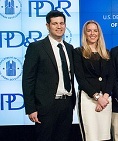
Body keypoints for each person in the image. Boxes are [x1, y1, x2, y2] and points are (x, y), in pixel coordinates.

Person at [22, 10, 76, 141]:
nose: (59, 26)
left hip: (67, 105)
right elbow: (28, 79)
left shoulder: (69, 48)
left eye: (62, 23)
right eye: (55, 23)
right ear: (48, 26)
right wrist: (31, 108)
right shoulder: (36, 47)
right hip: (45, 107)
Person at [73, 20, 115, 141]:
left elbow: (111, 77)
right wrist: (98, 98)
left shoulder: (106, 53)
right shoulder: (78, 52)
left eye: (95, 31)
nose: (92, 33)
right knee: (91, 137)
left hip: (106, 100)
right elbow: (81, 79)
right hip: (88, 99)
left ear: (99, 33)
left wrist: (105, 97)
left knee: (104, 136)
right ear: (85, 33)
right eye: (89, 30)